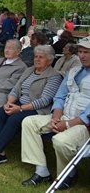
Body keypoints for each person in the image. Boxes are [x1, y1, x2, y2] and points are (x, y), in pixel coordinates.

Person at [20, 37, 90, 189]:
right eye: (80, 52)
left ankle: (67, 174)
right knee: (29, 122)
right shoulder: (74, 71)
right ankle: (42, 170)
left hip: (85, 124)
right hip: (64, 116)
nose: (82, 56)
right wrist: (56, 117)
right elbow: (59, 96)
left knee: (61, 141)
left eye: (87, 52)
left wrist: (68, 124)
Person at [0, 45, 62, 165]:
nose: (37, 59)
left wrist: (20, 109)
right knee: (0, 113)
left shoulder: (54, 76)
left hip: (38, 109)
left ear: (50, 60)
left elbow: (44, 100)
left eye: (41, 57)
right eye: (36, 56)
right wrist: (9, 103)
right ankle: (1, 154)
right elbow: (16, 89)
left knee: (14, 119)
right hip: (20, 103)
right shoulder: (29, 70)